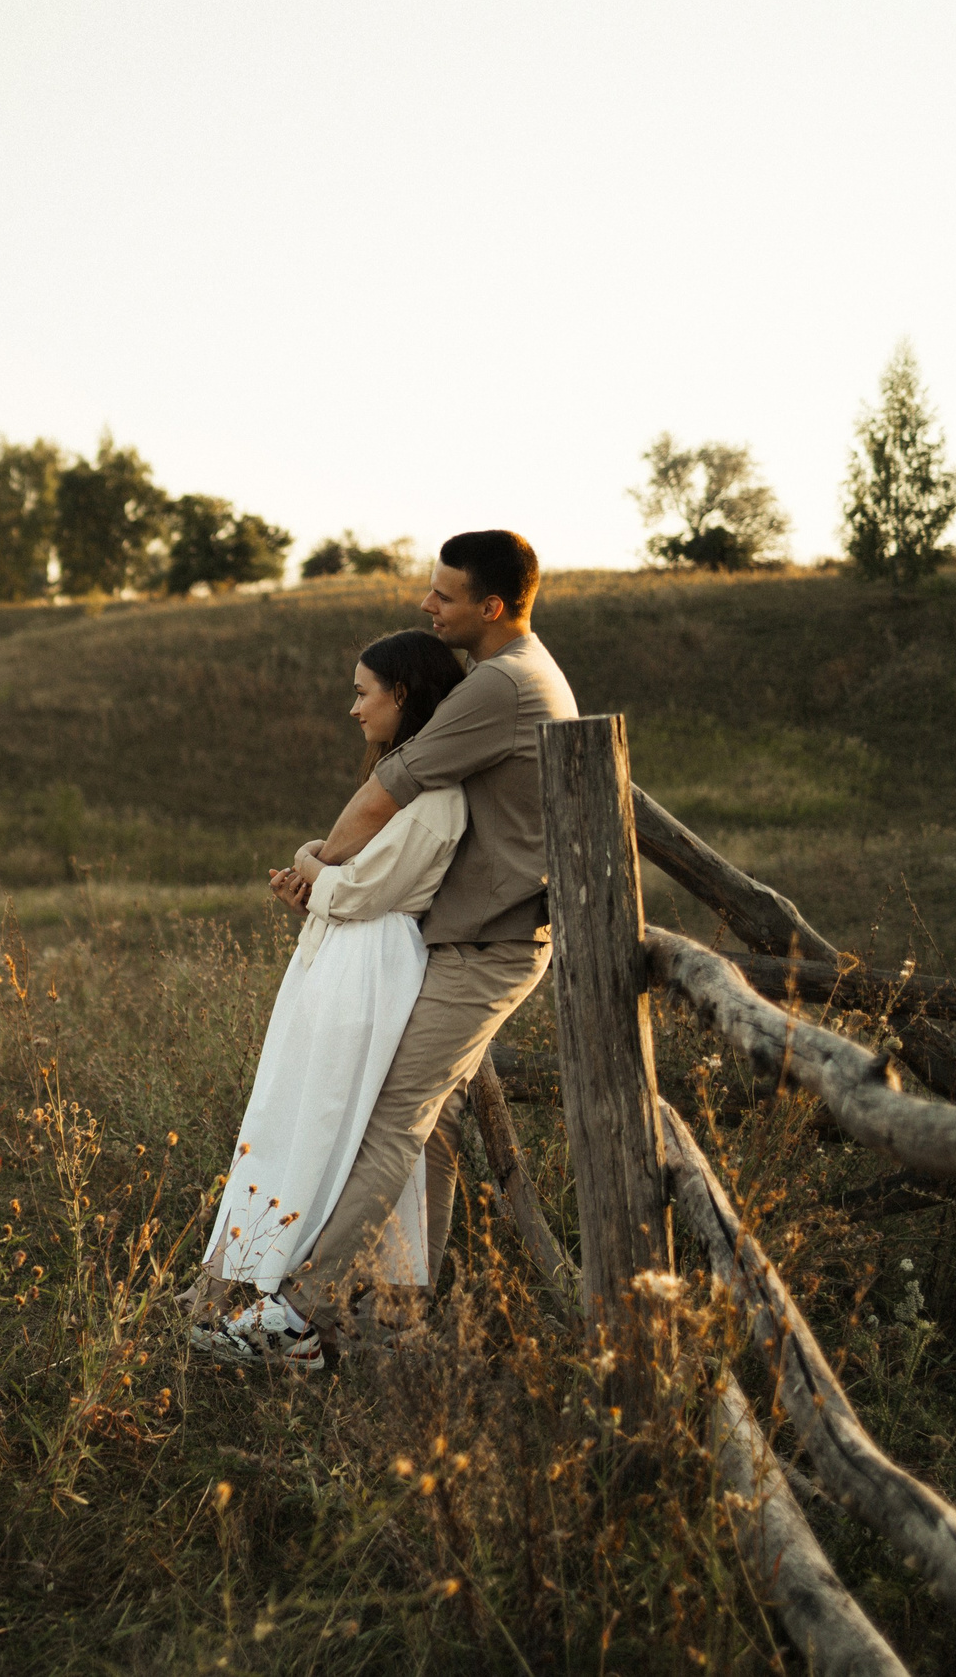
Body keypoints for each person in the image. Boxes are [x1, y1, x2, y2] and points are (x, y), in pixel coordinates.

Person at [233, 530, 577, 1362]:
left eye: (443, 595)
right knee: (436, 1124)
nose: (428, 605)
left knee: (394, 1118)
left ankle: (299, 1317)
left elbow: (391, 787)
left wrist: (319, 859)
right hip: (474, 935)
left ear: (490, 607)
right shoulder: (526, 672)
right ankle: (397, 1305)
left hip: (492, 943)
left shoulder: (501, 682)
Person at [186, 630, 470, 1370]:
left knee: (333, 1122)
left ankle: (314, 1302)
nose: (353, 708)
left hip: (372, 967)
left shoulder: (435, 795)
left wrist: (312, 862)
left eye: (362, 691)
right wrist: (315, 880)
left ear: (402, 694)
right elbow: (346, 888)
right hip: (341, 960)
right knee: (296, 1111)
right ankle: (252, 1280)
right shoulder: (402, 780)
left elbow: (361, 888)